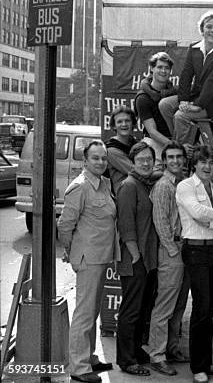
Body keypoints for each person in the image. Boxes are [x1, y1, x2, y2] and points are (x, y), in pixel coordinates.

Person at [176, 144, 213, 383]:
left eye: (211, 162)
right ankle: (197, 367)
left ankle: (205, 360)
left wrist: (212, 221)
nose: (207, 166)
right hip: (195, 250)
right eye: (203, 162)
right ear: (195, 164)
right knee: (201, 308)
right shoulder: (185, 186)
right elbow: (196, 212)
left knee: (210, 309)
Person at [57, 141, 116, 383]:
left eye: (103, 158)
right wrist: (72, 253)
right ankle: (78, 368)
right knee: (84, 313)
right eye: (95, 158)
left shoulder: (103, 184)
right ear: (85, 161)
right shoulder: (80, 187)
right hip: (88, 259)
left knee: (92, 311)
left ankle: (88, 358)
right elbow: (65, 226)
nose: (100, 162)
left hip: (101, 257)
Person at [143, 141, 189, 376]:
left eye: (179, 157)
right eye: (171, 157)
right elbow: (160, 221)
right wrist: (172, 250)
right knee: (164, 307)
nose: (176, 161)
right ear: (164, 161)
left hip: (183, 249)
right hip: (171, 250)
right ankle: (157, 355)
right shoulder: (163, 186)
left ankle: (172, 348)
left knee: (179, 305)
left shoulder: (180, 183)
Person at [116, 142, 160, 376]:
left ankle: (135, 350)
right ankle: (126, 359)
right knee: (131, 310)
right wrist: (135, 255)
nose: (145, 163)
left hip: (149, 257)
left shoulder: (147, 183)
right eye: (140, 159)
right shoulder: (129, 186)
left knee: (143, 308)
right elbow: (125, 225)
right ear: (132, 162)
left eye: (149, 159)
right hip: (135, 259)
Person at [160, 11, 213, 149]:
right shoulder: (194, 48)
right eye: (209, 27)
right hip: (196, 97)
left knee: (180, 116)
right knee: (165, 105)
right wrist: (183, 99)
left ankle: (182, 152)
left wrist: (198, 105)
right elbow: (186, 75)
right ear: (202, 30)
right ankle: (181, 143)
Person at [135, 52, 177, 168]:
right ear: (152, 68)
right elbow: (152, 131)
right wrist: (175, 146)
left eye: (167, 68)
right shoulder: (143, 98)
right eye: (159, 67)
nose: (163, 71)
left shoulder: (175, 94)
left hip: (174, 142)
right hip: (155, 144)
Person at [105, 106, 137, 193]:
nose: (124, 124)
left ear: (133, 123)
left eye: (127, 121)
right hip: (122, 196)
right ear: (114, 126)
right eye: (119, 121)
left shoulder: (135, 144)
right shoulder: (110, 150)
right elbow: (135, 171)